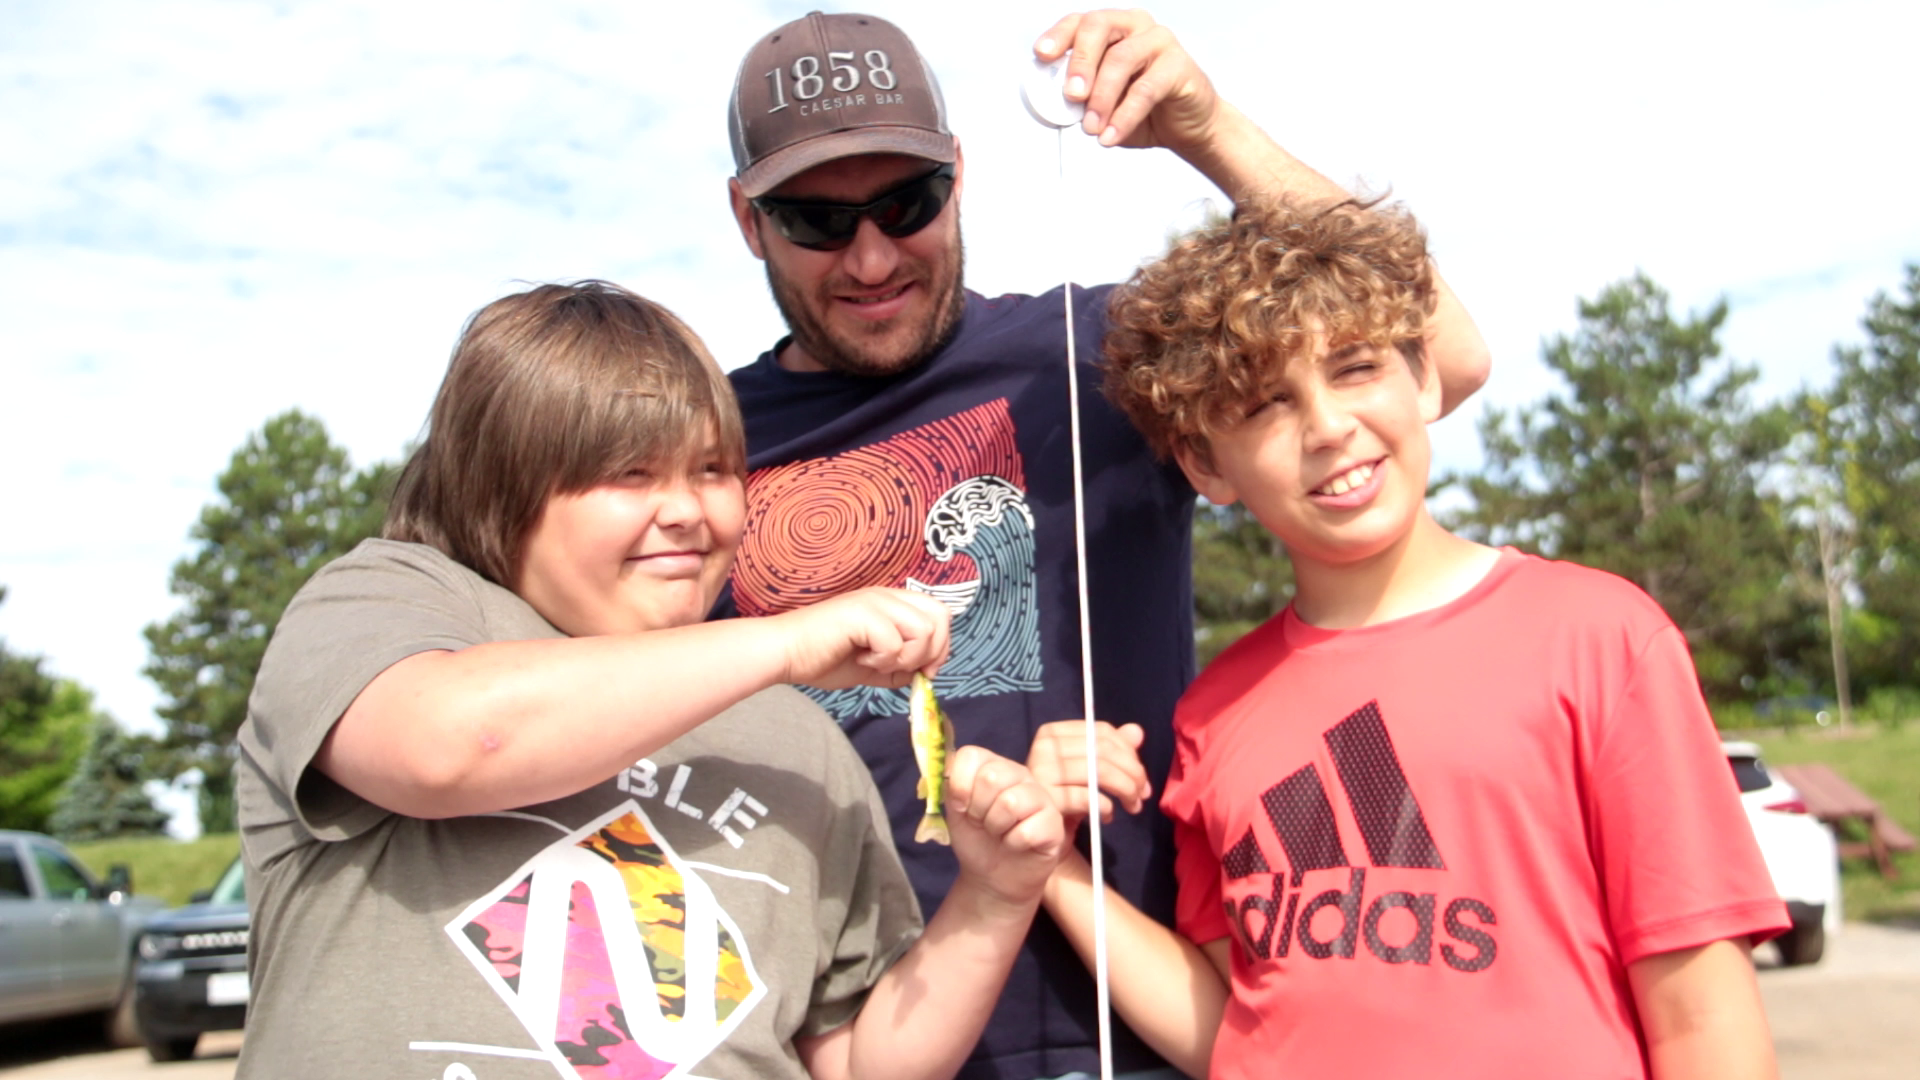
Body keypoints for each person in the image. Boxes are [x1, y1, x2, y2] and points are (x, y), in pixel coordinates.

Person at [720, 10, 1492, 1079]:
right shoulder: (694, 446)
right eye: (814, 218)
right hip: (855, 1043)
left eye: (907, 203)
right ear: (747, 220)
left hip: (1155, 1013)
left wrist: (1206, 127)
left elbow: (1442, 354)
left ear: (959, 176)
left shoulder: (1089, 356)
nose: (870, 255)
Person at [1026, 195, 1789, 1079]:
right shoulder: (1214, 712)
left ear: (1424, 377)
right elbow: (1235, 1026)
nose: (1328, 427)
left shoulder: (1600, 637)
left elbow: (1706, 1023)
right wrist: (1050, 870)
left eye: (1354, 368)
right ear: (1205, 464)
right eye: (1268, 403)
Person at [233, 281, 1067, 1080]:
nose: (686, 511)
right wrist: (782, 643)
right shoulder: (385, 603)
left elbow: (857, 1062)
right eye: (631, 473)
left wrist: (994, 896)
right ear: (504, 482)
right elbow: (454, 745)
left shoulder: (798, 741)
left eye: (712, 471)